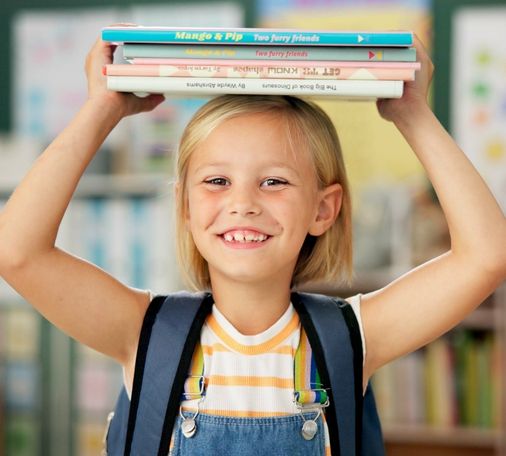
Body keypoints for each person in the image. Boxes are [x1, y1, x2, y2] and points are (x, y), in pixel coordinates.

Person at [0, 30, 504, 456]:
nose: (243, 203)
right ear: (185, 207)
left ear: (323, 210)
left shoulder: (353, 337)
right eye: (217, 182)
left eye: (274, 182)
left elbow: (485, 257)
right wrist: (102, 109)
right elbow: (16, 251)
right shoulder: (142, 331)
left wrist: (412, 114)